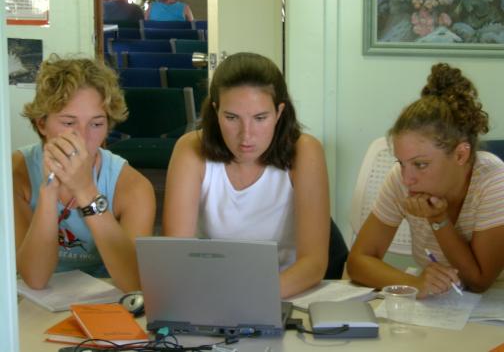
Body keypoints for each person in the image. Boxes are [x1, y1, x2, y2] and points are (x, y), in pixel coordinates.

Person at [163, 52, 330, 298]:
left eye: (260, 118)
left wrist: (248, 297)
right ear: (215, 110)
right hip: (209, 288)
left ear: (279, 112)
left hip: (283, 290)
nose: (246, 136)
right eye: (231, 118)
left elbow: (313, 264)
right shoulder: (190, 149)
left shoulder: (305, 151)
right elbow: (177, 254)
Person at [347, 63, 504, 298]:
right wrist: (415, 283)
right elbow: (358, 262)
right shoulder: (400, 180)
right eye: (401, 162)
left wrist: (438, 220)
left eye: (421, 164)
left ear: (461, 154)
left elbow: (478, 281)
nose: (407, 178)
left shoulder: (494, 182)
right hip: (441, 305)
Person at [13, 55, 156, 293]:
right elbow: (35, 278)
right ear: (41, 124)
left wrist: (86, 191)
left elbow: (134, 282)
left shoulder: (133, 186)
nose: (83, 137)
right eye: (69, 123)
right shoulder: (15, 173)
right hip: (32, 299)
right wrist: (49, 192)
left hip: (106, 296)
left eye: (97, 124)